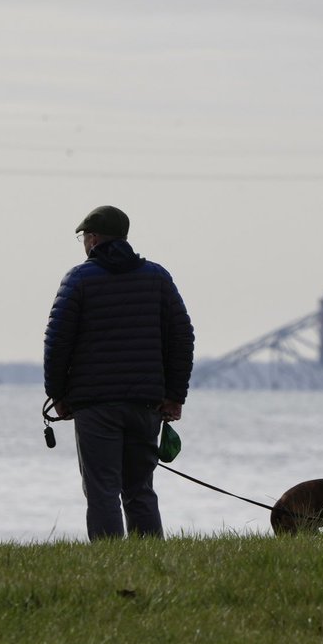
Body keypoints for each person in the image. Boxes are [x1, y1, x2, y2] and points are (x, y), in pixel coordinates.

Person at [43, 205, 194, 541]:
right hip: (146, 404)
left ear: (93, 239)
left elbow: (56, 342)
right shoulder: (157, 278)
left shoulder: (79, 280)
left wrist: (57, 394)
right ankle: (151, 559)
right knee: (140, 488)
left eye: (84, 237)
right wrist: (174, 396)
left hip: (95, 406)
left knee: (102, 490)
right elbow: (182, 338)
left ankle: (110, 563)